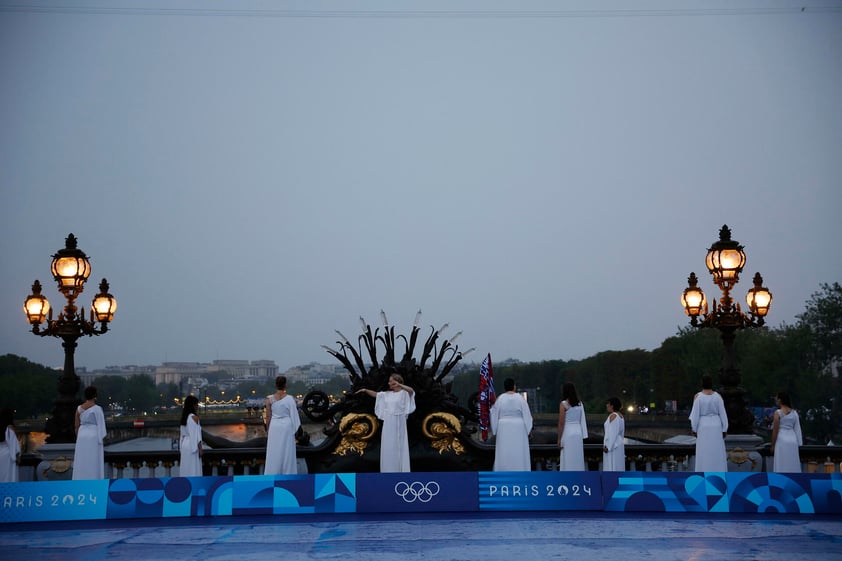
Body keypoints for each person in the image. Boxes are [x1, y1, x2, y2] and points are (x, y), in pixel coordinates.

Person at [356, 373, 416, 472]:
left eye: (391, 380)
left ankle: (400, 469)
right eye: (389, 381)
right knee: (389, 445)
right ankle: (388, 469)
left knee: (399, 444)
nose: (389, 383)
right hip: (389, 421)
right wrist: (365, 390)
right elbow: (376, 395)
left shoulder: (404, 393)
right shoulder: (387, 394)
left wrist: (399, 385)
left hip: (399, 420)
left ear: (397, 381)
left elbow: (411, 391)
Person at [490, 378, 533, 471]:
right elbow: (527, 414)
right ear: (514, 386)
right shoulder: (520, 398)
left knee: (504, 451)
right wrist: (528, 430)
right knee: (519, 451)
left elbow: (494, 413)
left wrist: (495, 429)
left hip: (503, 427)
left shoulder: (500, 398)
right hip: (519, 426)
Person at [689, 375, 729, 472]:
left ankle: (703, 472)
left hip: (703, 426)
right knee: (717, 453)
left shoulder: (698, 397)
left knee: (704, 453)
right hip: (716, 425)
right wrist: (724, 429)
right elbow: (723, 414)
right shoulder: (718, 397)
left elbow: (695, 415)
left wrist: (694, 429)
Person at [264, 375, 301, 475]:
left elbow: (268, 417)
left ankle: (273, 472)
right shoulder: (290, 399)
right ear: (285, 385)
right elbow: (294, 414)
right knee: (287, 451)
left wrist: (268, 429)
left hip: (275, 426)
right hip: (287, 426)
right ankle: (288, 472)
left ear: (276, 385)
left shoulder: (269, 400)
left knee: (274, 451)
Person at [72, 386, 107, 480]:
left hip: (82, 435)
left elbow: (76, 425)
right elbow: (101, 425)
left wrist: (79, 437)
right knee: (93, 460)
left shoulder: (79, 408)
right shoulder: (98, 409)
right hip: (93, 435)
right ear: (95, 396)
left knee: (81, 460)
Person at [557, 382, 588, 471]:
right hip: (578, 432)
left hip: (568, 432)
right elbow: (582, 419)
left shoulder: (563, 404)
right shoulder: (580, 404)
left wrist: (559, 439)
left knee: (568, 456)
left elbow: (561, 423)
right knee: (577, 456)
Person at [771, 391, 803, 473]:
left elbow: (775, 430)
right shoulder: (794, 413)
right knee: (792, 463)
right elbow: (797, 429)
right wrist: (799, 443)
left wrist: (773, 445)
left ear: (780, 400)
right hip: (792, 440)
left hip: (781, 440)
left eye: (777, 398)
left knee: (781, 463)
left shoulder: (778, 413)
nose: (776, 400)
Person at [179, 395, 203, 477]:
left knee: (186, 467)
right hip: (192, 445)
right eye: (196, 404)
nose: (197, 406)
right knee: (194, 468)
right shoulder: (194, 418)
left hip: (185, 445)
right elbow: (196, 435)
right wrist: (200, 448)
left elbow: (182, 434)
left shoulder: (184, 418)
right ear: (193, 405)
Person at [602, 397, 625, 472]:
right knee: (619, 466)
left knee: (612, 466)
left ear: (612, 405)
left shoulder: (613, 416)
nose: (606, 405)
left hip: (613, 446)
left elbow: (612, 434)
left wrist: (608, 447)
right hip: (619, 444)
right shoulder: (620, 416)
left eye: (608, 403)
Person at [0, 408, 20, 483]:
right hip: (8, 455)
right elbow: (14, 445)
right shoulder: (9, 428)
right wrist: (17, 456)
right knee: (9, 477)